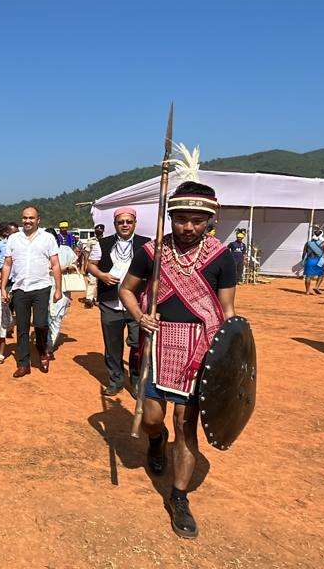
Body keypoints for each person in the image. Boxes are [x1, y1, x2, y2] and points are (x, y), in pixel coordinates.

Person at [118, 180, 237, 540]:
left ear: (209, 221)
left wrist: (230, 353)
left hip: (201, 349)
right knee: (153, 418)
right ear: (170, 217)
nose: (188, 227)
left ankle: (179, 496)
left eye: (196, 221)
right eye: (181, 219)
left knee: (187, 424)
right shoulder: (151, 253)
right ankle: (156, 441)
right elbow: (126, 289)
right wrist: (140, 316)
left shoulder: (221, 256)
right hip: (157, 344)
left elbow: (228, 310)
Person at [87, 207, 150, 396]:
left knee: (138, 344)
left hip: (136, 304)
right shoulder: (102, 243)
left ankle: (137, 380)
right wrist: (102, 276)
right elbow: (91, 265)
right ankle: (116, 381)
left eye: (128, 222)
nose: (125, 225)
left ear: (135, 223)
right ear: (115, 224)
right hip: (110, 302)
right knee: (112, 345)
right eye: (121, 222)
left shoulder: (146, 244)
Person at [0, 206, 63, 378]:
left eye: (31, 218)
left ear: (38, 220)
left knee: (41, 324)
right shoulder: (13, 238)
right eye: (25, 218)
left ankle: (42, 350)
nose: (28, 221)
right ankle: (23, 363)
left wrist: (59, 289)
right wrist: (3, 288)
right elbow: (7, 264)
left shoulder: (48, 238)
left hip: (41, 287)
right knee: (22, 327)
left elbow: (56, 264)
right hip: (20, 288)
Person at [82, 224, 105, 308]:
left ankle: (97, 299)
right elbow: (87, 253)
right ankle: (89, 299)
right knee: (92, 281)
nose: (98, 231)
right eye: (97, 230)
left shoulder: (106, 240)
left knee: (100, 282)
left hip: (102, 264)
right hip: (92, 264)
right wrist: (85, 265)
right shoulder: (91, 241)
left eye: (100, 230)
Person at [301, 227, 324, 295]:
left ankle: (307, 291)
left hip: (310, 260)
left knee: (308, 276)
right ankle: (316, 287)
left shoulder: (308, 243)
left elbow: (304, 253)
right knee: (321, 275)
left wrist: (303, 261)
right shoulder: (323, 244)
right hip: (319, 261)